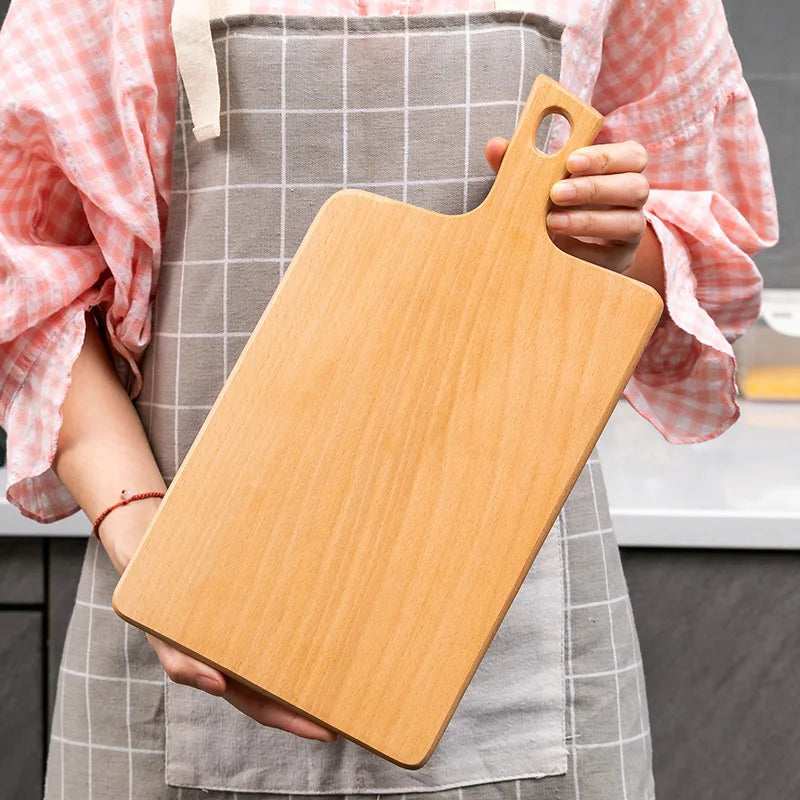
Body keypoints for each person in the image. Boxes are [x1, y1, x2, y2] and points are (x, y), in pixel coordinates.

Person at [0, 0, 777, 798]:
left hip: (522, 646)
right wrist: (142, 529)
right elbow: (24, 274)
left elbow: (704, 249)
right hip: (174, 608)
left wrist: (619, 245)